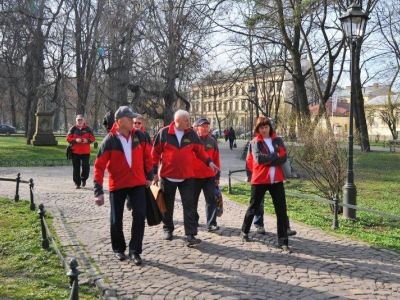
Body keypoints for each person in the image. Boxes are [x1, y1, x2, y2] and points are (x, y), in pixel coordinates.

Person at [93, 106, 153, 265]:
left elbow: (148, 156)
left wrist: (150, 175)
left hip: (138, 183)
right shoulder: (109, 140)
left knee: (140, 215)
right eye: (130, 119)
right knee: (115, 219)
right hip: (118, 184)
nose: (134, 121)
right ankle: (118, 249)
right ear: (120, 122)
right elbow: (99, 166)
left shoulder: (139, 136)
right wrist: (98, 191)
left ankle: (135, 251)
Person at [151, 109, 220, 246]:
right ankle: (168, 229)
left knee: (189, 205)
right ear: (177, 121)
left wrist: (210, 163)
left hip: (187, 177)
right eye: (186, 120)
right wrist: (154, 173)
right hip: (168, 176)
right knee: (167, 206)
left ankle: (190, 234)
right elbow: (154, 154)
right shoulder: (164, 133)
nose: (189, 123)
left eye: (189, 120)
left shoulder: (192, 135)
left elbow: (200, 151)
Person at [241, 117, 291, 251]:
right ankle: (245, 230)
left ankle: (283, 241)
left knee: (281, 210)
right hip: (260, 179)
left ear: (270, 128)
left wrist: (270, 159)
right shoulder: (255, 142)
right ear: (258, 129)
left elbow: (284, 157)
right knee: (254, 207)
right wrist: (275, 156)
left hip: (276, 180)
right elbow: (259, 159)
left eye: (266, 127)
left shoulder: (278, 140)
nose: (264, 130)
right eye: (261, 128)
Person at [192, 118, 221, 232]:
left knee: (211, 200)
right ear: (196, 128)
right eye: (203, 126)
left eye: (207, 126)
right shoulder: (192, 140)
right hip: (194, 176)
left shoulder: (212, 140)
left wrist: (217, 176)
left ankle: (211, 223)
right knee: (192, 200)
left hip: (209, 176)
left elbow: (216, 158)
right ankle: (194, 221)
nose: (205, 128)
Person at [126, 114, 152, 211]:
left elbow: (149, 151)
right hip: (131, 165)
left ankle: (141, 208)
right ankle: (129, 199)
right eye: (134, 123)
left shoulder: (145, 135)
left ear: (142, 124)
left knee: (141, 186)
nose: (136, 124)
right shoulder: (128, 133)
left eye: (138, 123)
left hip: (143, 165)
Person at [66, 115, 96, 189]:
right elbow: (68, 138)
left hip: (86, 152)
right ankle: (77, 183)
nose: (80, 121)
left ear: (84, 121)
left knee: (86, 167)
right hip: (75, 151)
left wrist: (87, 140)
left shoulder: (88, 128)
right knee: (76, 168)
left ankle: (84, 179)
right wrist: (75, 140)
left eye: (81, 120)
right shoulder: (73, 128)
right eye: (78, 120)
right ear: (76, 121)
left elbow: (93, 138)